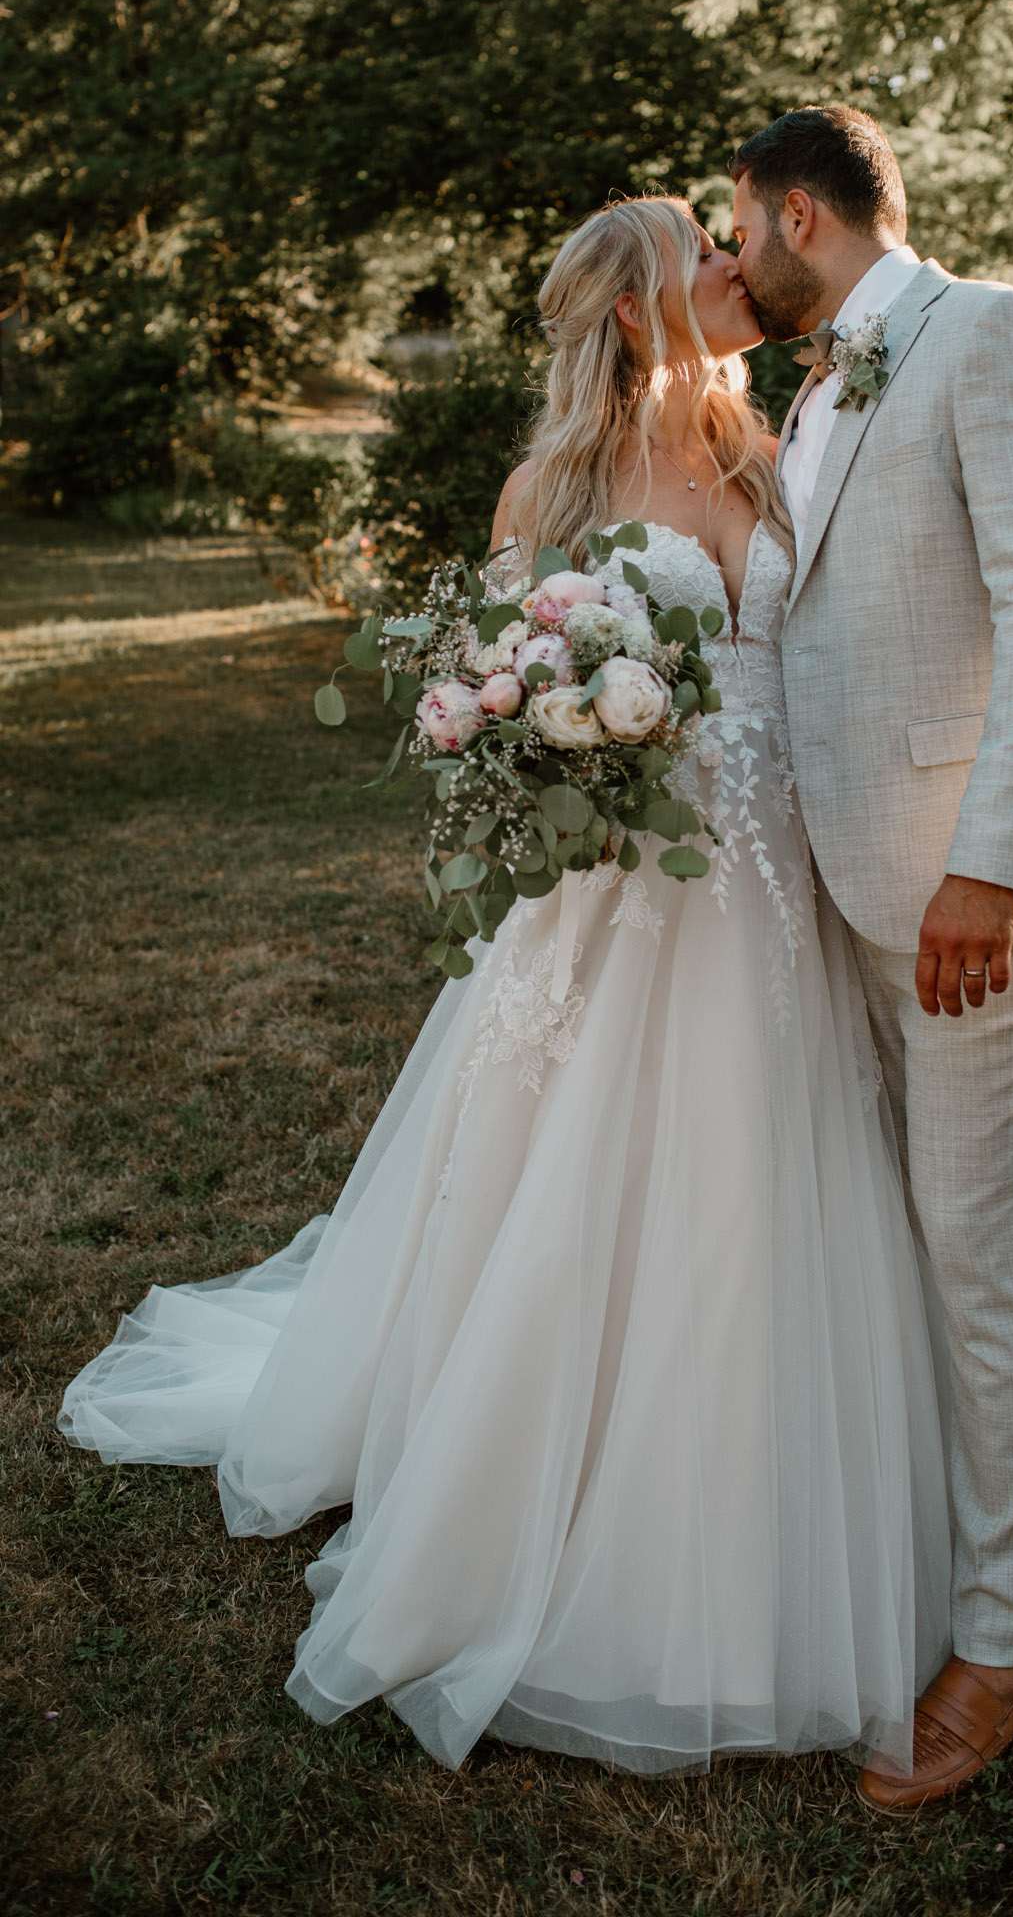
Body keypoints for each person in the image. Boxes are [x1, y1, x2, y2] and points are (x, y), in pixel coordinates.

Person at [57, 194, 955, 1782]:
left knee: (759, 1172)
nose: (732, 269)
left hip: (766, 881)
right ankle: (516, 1460)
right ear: (633, 308)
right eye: (701, 254)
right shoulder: (546, 486)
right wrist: (552, 724)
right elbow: (492, 680)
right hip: (618, 887)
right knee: (569, 1173)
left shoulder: (775, 441)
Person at [729, 105, 1013, 1810]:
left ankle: (1003, 1642)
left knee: (981, 1260)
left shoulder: (993, 333)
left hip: (977, 904)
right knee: (908, 1241)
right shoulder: (822, 387)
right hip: (847, 892)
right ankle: (935, 1556)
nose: (730, 255)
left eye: (737, 224)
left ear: (801, 213)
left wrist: (992, 861)